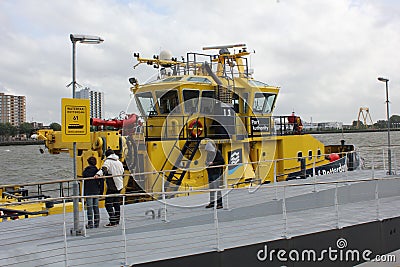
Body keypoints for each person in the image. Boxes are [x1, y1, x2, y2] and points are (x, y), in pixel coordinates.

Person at [95, 149, 124, 227]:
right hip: (120, 184)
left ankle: (112, 221)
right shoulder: (119, 162)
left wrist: (97, 175)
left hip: (112, 185)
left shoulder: (108, 161)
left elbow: (104, 169)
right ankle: (117, 220)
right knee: (116, 203)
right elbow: (122, 172)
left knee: (108, 204)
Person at [82, 156, 103, 229]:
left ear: (88, 163)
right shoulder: (97, 171)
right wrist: (101, 191)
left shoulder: (85, 172)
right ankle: (97, 222)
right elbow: (101, 182)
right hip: (96, 190)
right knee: (96, 207)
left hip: (88, 191)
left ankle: (90, 223)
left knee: (89, 208)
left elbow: (84, 180)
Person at [205, 141, 225, 209]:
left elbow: (222, 162)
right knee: (211, 188)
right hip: (210, 172)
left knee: (217, 188)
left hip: (216, 172)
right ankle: (212, 202)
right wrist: (207, 164)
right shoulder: (209, 154)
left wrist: (213, 164)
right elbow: (206, 161)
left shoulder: (217, 153)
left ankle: (219, 204)